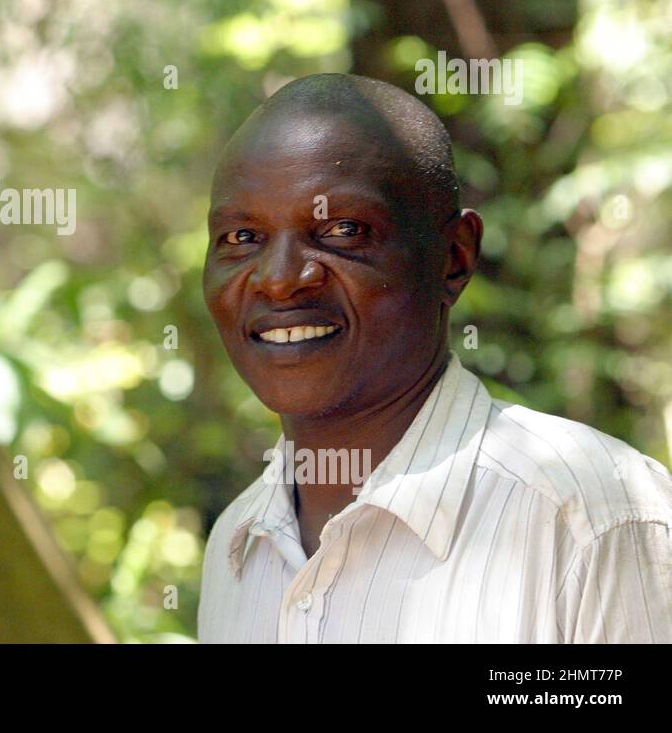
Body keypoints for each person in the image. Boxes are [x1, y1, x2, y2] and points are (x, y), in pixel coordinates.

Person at [197, 72, 671, 643]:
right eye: (241, 238)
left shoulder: (592, 518)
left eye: (342, 231)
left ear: (453, 257)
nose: (278, 280)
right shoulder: (239, 547)